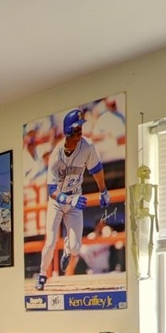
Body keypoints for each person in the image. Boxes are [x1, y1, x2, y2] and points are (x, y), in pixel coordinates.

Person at [38, 106, 109, 286]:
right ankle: (42, 274)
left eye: (80, 128)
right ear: (68, 131)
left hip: (75, 197)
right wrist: (70, 200)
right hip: (57, 202)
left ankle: (68, 250)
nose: (80, 132)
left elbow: (96, 170)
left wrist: (103, 190)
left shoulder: (87, 146)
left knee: (76, 248)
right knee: (50, 242)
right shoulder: (56, 155)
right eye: (76, 129)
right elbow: (52, 191)